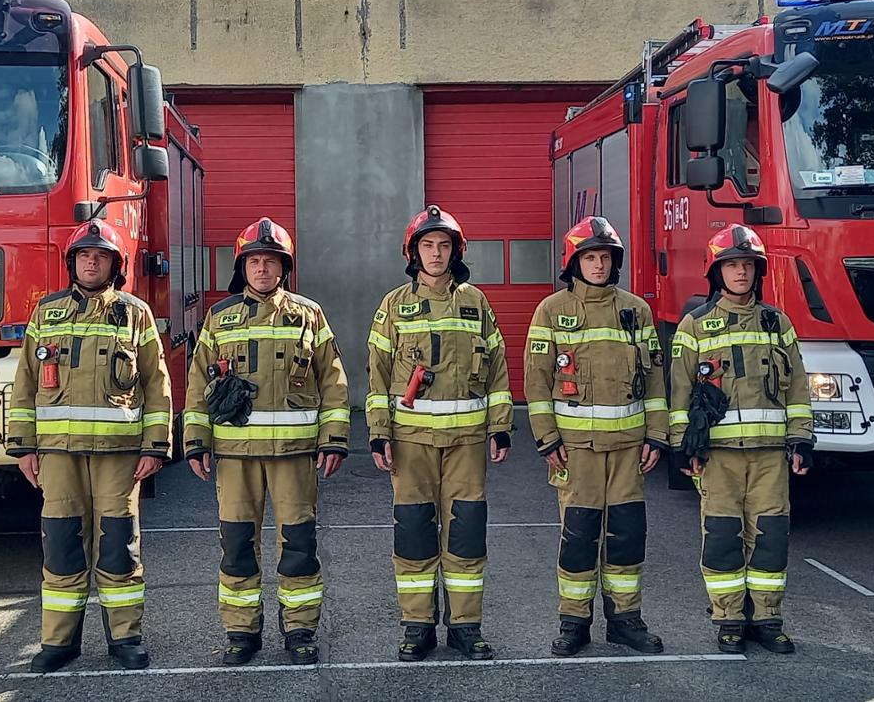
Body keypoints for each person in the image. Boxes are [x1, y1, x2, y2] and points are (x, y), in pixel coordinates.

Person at [4, 219, 172, 673]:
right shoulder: (47, 312)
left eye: (100, 255)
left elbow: (157, 384)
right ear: (72, 262)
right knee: (60, 546)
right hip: (58, 454)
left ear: (115, 264)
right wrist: (23, 447)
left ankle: (125, 639)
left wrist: (155, 446)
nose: (91, 261)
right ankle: (58, 644)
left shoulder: (135, 314)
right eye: (83, 255)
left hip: (119, 456)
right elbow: (24, 384)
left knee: (119, 547)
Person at [182, 218, 350, 666]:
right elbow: (198, 384)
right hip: (236, 455)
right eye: (254, 261)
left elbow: (332, 380)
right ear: (243, 267)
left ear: (284, 267)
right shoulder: (219, 318)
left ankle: (300, 631)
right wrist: (196, 442)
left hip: (295, 454)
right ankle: (241, 633)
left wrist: (334, 439)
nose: (262, 269)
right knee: (237, 545)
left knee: (299, 544)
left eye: (271, 261)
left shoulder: (308, 314)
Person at [365, 205, 514, 661]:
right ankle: (417, 628)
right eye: (427, 245)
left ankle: (466, 627)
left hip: (467, 444)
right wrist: (378, 433)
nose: (436, 253)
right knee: (413, 535)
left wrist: (501, 428)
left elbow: (499, 371)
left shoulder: (477, 303)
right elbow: (377, 375)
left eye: (444, 245)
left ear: (456, 252)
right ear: (413, 253)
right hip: (411, 445)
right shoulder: (393, 305)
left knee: (467, 536)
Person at [524, 216, 669, 657]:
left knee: (627, 536)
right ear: (574, 263)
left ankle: (626, 620)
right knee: (579, 536)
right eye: (590, 257)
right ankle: (574, 623)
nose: (599, 265)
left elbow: (656, 377)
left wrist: (657, 436)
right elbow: (536, 380)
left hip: (629, 449)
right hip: (577, 451)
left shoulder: (636, 311)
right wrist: (548, 440)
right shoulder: (552, 310)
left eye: (605, 257)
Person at [667, 224, 814, 655]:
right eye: (731, 265)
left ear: (758, 271)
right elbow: (678, 392)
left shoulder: (777, 323)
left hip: (770, 455)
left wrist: (801, 440)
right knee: (722, 537)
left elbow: (798, 388)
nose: (740, 273)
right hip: (719, 456)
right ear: (716, 272)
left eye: (748, 265)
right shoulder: (694, 326)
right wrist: (682, 445)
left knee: (771, 537)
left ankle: (767, 619)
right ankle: (728, 619)